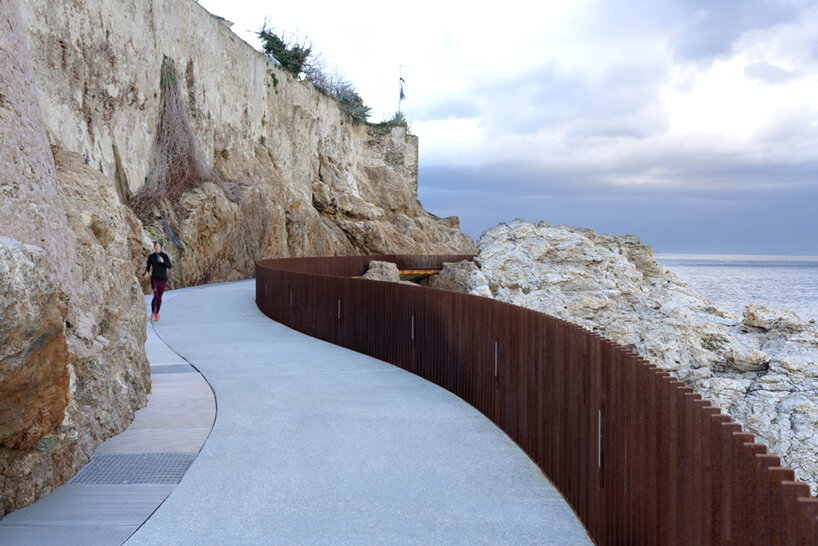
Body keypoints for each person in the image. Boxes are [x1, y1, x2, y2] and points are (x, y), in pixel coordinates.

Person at [145, 242, 172, 321]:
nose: (157, 247)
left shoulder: (164, 256)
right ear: (154, 247)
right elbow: (148, 266)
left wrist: (163, 261)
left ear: (161, 247)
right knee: (155, 296)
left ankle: (157, 313)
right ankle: (153, 313)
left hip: (163, 279)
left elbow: (169, 266)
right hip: (154, 278)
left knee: (159, 297)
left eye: (158, 246)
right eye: (155, 246)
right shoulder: (151, 256)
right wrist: (146, 273)